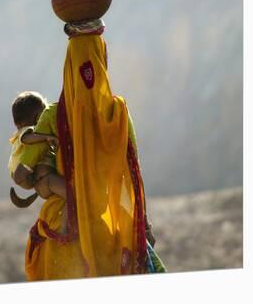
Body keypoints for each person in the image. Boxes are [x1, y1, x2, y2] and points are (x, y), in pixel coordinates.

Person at [13, 33, 166, 280]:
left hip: (62, 224)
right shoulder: (118, 113)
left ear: (68, 67)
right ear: (103, 62)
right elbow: (134, 173)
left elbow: (22, 173)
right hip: (106, 224)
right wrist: (143, 225)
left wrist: (42, 179)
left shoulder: (53, 114)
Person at [8, 91, 68, 209]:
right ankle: (66, 225)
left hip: (36, 180)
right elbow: (27, 138)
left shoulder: (21, 137)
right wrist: (45, 137)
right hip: (44, 178)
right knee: (72, 196)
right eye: (44, 112)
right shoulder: (28, 131)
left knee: (67, 200)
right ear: (37, 117)